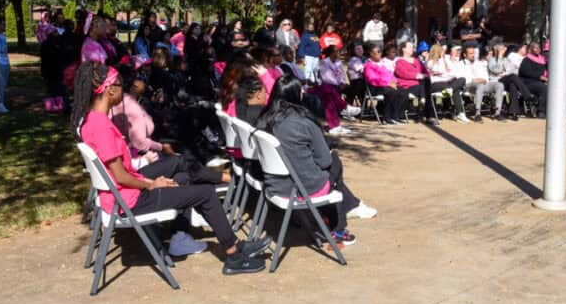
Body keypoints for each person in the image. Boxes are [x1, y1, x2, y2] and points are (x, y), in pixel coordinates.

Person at [72, 61, 269, 274]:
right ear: (110, 90)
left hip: (123, 195)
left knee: (183, 178)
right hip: (130, 200)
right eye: (120, 85)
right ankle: (233, 254)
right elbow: (119, 176)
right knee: (206, 193)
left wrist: (151, 182)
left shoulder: (91, 120)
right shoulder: (102, 127)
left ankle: (187, 236)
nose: (124, 89)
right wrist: (151, 184)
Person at [256, 73, 376, 249]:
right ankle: (337, 228)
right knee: (334, 162)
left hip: (275, 185)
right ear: (297, 95)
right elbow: (324, 161)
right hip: (302, 188)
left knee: (326, 167)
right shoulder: (304, 122)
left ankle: (344, 208)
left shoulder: (264, 119)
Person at [310, 45, 360, 135]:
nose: (338, 53)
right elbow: (326, 78)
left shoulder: (338, 62)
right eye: (336, 51)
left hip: (337, 85)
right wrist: (338, 84)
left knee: (352, 88)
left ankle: (342, 117)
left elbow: (341, 74)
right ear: (331, 53)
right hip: (329, 84)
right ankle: (344, 108)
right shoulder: (324, 63)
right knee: (330, 90)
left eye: (339, 51)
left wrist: (342, 82)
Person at [393, 40, 439, 125]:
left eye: (412, 47)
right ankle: (428, 115)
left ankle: (423, 101)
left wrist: (427, 74)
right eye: (410, 47)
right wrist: (417, 76)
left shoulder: (417, 61)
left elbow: (426, 72)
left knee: (426, 83)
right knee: (425, 87)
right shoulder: (399, 61)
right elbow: (402, 73)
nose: (412, 49)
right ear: (403, 49)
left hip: (419, 86)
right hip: (407, 86)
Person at [457, 43, 504, 121]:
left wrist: (482, 79)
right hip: (468, 86)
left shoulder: (478, 63)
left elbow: (485, 77)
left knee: (499, 85)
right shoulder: (460, 64)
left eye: (474, 53)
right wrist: (475, 80)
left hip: (482, 84)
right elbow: (461, 78)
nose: (473, 55)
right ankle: (477, 113)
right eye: (471, 53)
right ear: (465, 54)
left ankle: (497, 113)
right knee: (480, 85)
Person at [364, 43, 405, 124]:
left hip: (385, 86)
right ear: (371, 54)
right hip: (375, 87)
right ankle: (387, 117)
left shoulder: (381, 65)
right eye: (378, 52)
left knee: (401, 91)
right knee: (391, 92)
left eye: (380, 52)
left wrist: (395, 82)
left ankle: (395, 116)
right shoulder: (368, 65)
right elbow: (372, 79)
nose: (380, 54)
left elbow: (390, 75)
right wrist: (388, 83)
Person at [426, 44, 469, 122]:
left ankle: (459, 112)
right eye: (442, 51)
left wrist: (445, 62)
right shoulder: (430, 62)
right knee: (455, 89)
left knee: (462, 79)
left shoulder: (444, 60)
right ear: (437, 51)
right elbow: (442, 72)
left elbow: (453, 72)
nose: (444, 53)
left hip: (447, 83)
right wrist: (447, 73)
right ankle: (460, 113)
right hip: (435, 85)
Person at [489, 42, 528, 120]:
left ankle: (513, 112)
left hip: (506, 79)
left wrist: (504, 73)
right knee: (512, 78)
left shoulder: (506, 59)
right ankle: (527, 95)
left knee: (513, 85)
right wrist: (499, 56)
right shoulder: (492, 59)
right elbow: (496, 71)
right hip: (496, 81)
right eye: (501, 49)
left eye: (504, 49)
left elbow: (513, 71)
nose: (504, 50)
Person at [517, 42, 548, 117]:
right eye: (535, 48)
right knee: (544, 88)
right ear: (530, 49)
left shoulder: (543, 59)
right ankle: (541, 111)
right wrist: (539, 77)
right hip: (528, 82)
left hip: (540, 82)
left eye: (539, 48)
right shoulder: (527, 59)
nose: (538, 49)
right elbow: (524, 72)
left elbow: (546, 71)